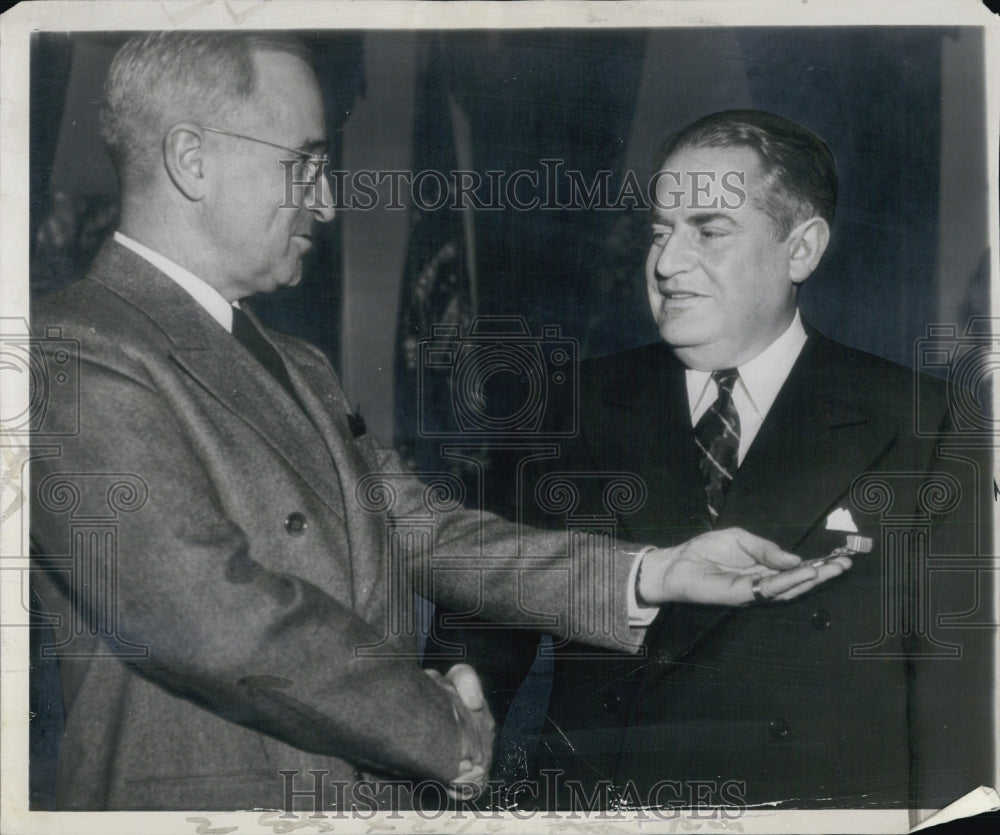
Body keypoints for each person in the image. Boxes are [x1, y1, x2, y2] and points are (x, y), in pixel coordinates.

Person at [26, 37, 846, 813]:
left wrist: (653, 572)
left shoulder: (297, 364)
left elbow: (425, 532)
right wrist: (440, 728)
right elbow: (208, 615)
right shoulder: (74, 349)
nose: (328, 200)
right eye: (304, 164)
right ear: (191, 159)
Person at [432, 110, 993, 810]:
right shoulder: (563, 405)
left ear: (802, 249)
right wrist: (456, 708)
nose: (666, 263)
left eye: (709, 229)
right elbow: (480, 618)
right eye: (660, 231)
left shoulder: (928, 423)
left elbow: (957, 709)